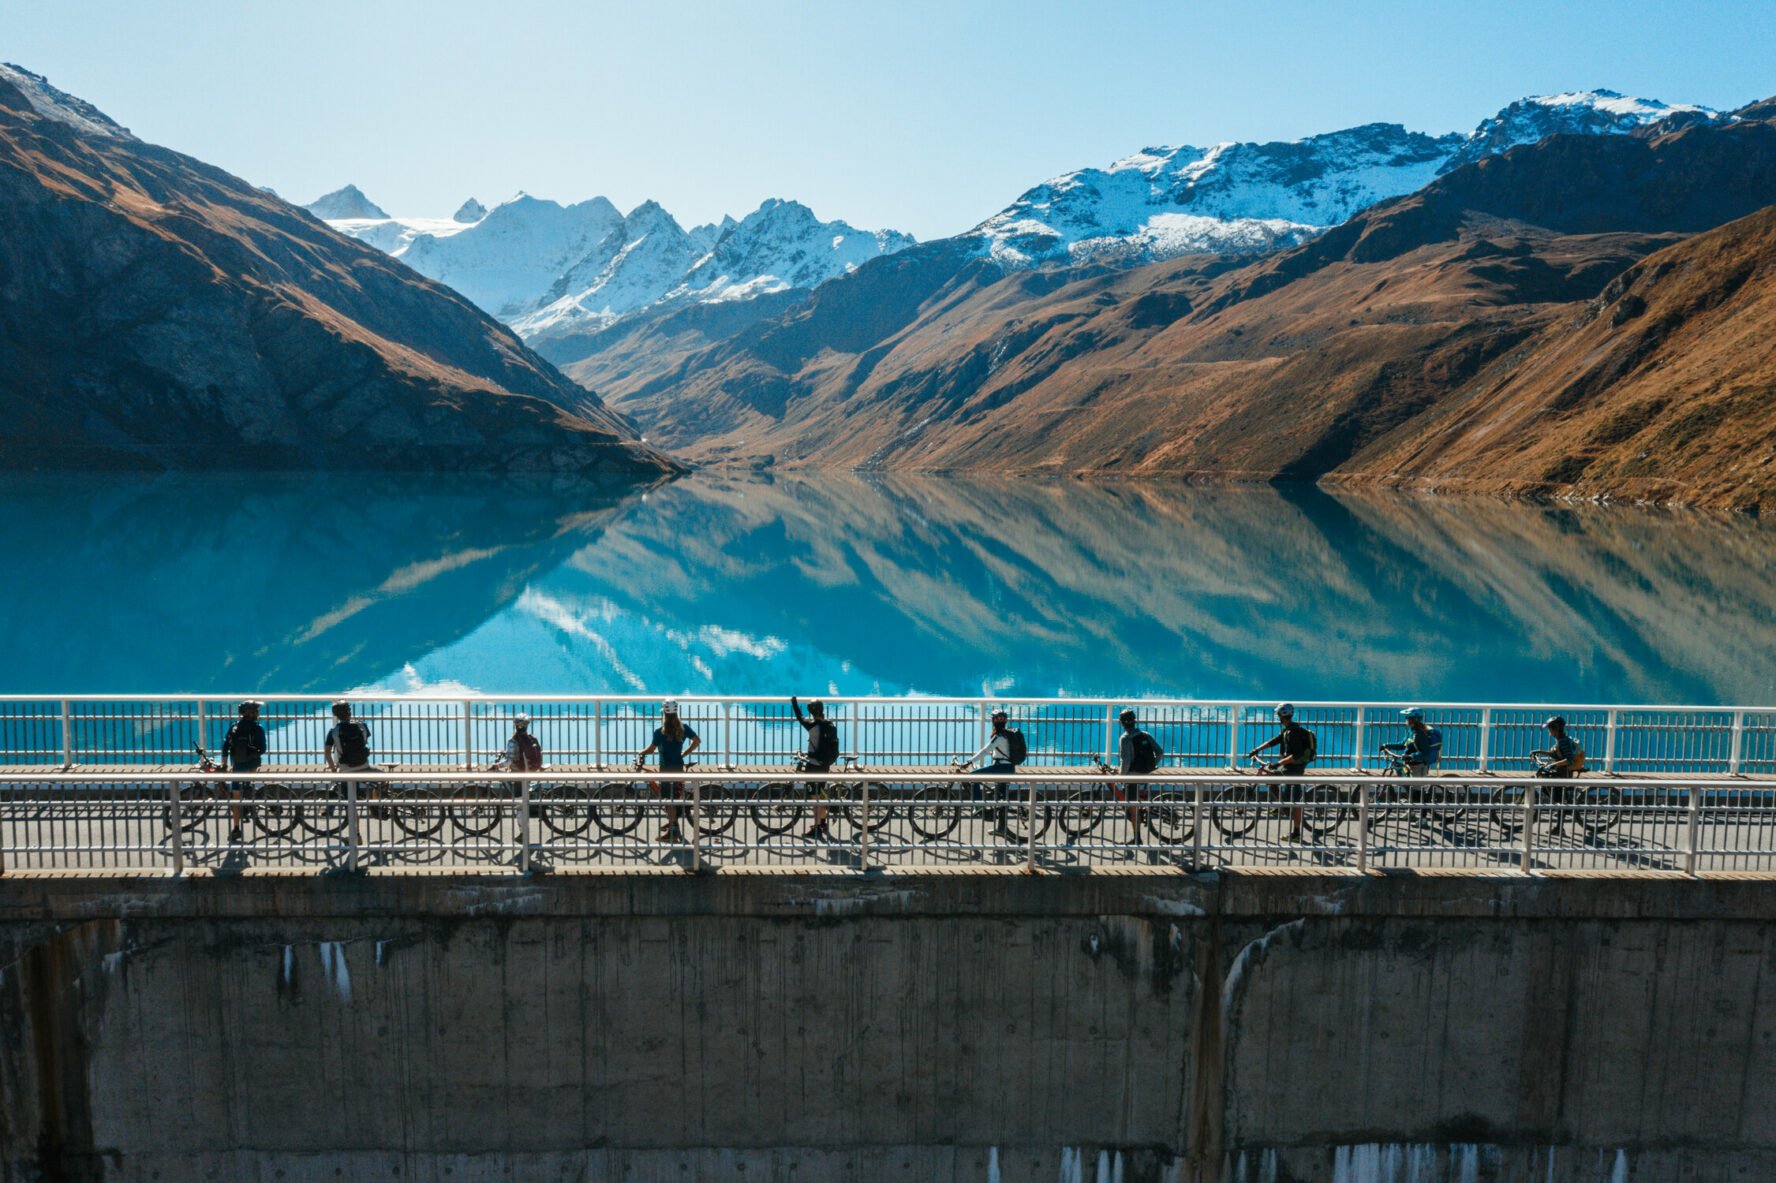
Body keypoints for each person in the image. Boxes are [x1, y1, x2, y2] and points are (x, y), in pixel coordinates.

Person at [1247, 703, 1315, 842]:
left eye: (1278, 714)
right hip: (1287, 766)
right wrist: (1257, 749)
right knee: (1270, 778)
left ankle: (1296, 834)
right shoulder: (1287, 730)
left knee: (1295, 802)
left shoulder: (1293, 732)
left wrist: (1278, 763)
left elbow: (1296, 755)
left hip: (1295, 768)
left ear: (1281, 716)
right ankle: (1282, 805)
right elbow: (1274, 741)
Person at [637, 701, 699, 841]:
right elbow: (697, 741)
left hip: (665, 770)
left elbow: (651, 749)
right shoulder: (684, 729)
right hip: (678, 768)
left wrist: (641, 752)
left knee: (668, 800)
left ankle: (673, 832)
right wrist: (685, 753)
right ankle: (673, 822)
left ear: (664, 713)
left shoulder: (660, 732)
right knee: (672, 799)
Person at [956, 709, 1023, 836]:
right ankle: (1002, 829)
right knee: (1001, 799)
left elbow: (985, 751)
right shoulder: (1007, 735)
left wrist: (968, 762)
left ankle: (979, 807)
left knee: (973, 777)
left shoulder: (999, 737)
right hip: (1008, 768)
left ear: (993, 721)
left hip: (1001, 768)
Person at [791, 695, 839, 841]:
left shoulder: (812, 726)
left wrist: (794, 703)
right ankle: (823, 823)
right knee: (822, 795)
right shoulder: (830, 725)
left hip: (813, 765)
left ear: (811, 711)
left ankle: (817, 828)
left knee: (814, 798)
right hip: (825, 765)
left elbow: (800, 717)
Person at [218, 699, 266, 843]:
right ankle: (250, 792)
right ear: (250, 713)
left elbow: (225, 746)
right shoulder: (258, 728)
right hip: (252, 765)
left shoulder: (234, 727)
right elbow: (263, 749)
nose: (258, 713)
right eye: (256, 711)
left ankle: (236, 828)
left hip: (237, 767)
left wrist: (224, 764)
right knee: (249, 783)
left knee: (236, 798)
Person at [1115, 708, 1163, 844]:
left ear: (1121, 723)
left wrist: (1121, 777)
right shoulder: (1145, 734)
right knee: (1140, 801)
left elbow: (1125, 761)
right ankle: (1142, 815)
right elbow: (1159, 752)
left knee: (1132, 807)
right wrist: (1151, 767)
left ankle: (1137, 838)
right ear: (1134, 721)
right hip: (1146, 774)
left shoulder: (1125, 738)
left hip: (1133, 776)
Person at [324, 700, 377, 821]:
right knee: (382, 781)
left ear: (336, 715)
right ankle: (375, 804)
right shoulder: (362, 726)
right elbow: (365, 743)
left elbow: (327, 753)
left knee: (350, 804)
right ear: (350, 713)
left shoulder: (333, 732)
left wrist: (333, 769)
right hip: (364, 767)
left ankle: (356, 836)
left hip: (346, 771)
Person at [1531, 715, 1585, 834]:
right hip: (1560, 772)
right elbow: (1555, 755)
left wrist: (1553, 765)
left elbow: (1569, 760)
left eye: (1550, 728)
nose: (1548, 730)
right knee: (1546, 790)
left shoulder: (1563, 742)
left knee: (1559, 800)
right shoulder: (1560, 740)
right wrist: (1539, 752)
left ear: (1556, 729)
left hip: (1563, 774)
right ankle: (1540, 815)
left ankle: (1559, 828)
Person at [493, 712, 544, 818]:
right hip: (530, 770)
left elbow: (510, 762)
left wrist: (497, 766)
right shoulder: (531, 738)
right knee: (523, 801)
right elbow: (521, 754)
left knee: (520, 807)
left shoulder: (514, 741)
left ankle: (523, 833)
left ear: (515, 725)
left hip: (519, 775)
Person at [1382, 707, 1443, 777]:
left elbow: (1425, 753)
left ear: (1414, 719)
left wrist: (1411, 756)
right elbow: (1403, 744)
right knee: (1404, 780)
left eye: (1408, 717)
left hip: (1418, 765)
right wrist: (1387, 745)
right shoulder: (1411, 731)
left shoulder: (1420, 734)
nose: (1406, 719)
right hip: (1410, 764)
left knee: (1414, 787)